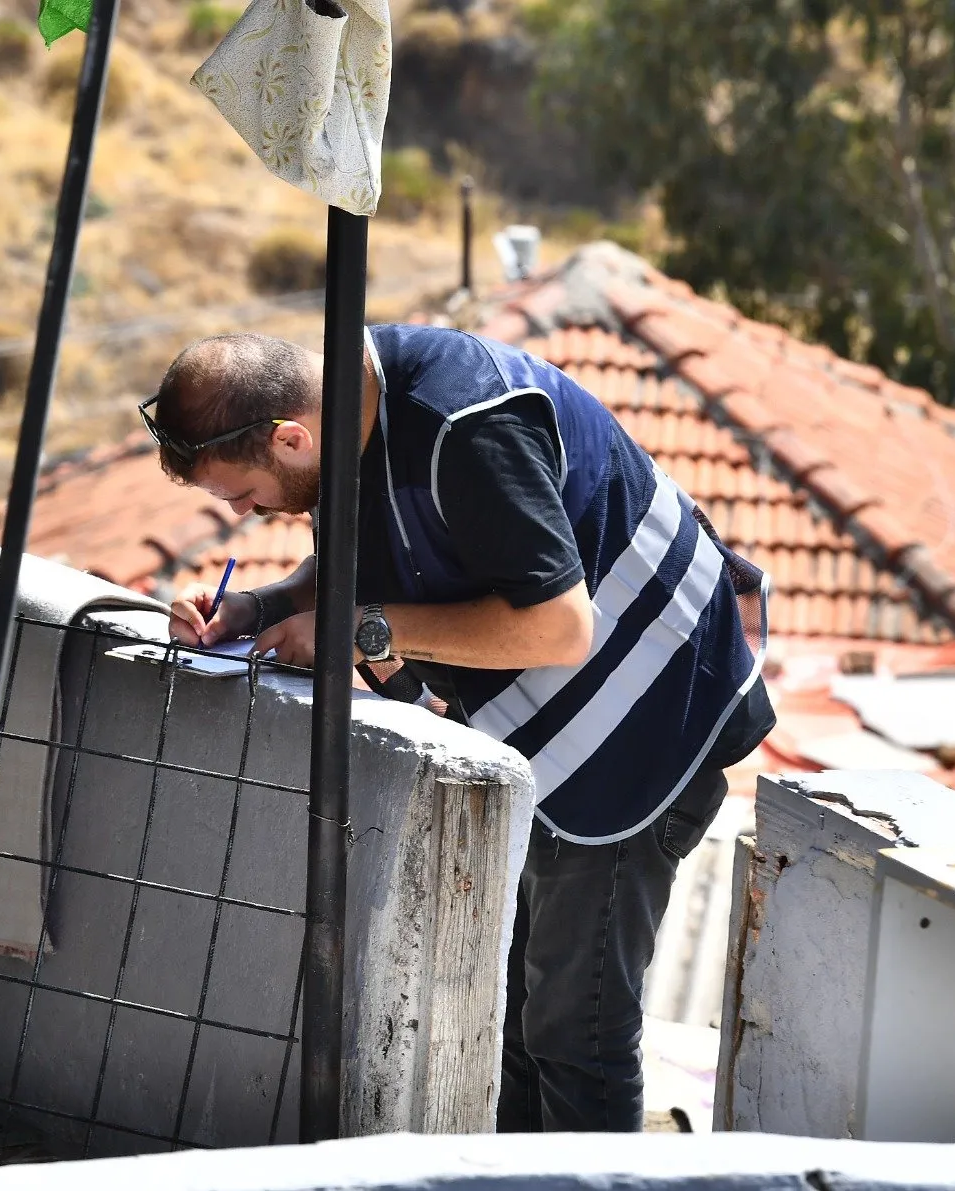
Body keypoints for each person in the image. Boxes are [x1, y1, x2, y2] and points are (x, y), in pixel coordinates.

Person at [147, 325, 774, 1132]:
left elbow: (557, 626)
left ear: (290, 437)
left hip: (645, 736)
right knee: (514, 1023)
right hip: (554, 744)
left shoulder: (464, 424)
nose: (243, 514)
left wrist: (360, 631)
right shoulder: (352, 410)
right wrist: (257, 606)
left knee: (574, 1032)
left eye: (242, 493)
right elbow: (360, 559)